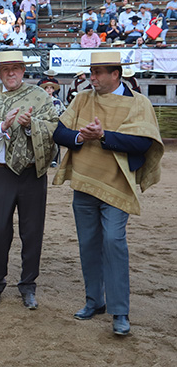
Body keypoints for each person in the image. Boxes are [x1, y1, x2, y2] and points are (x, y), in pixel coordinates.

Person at [52, 52, 163, 336]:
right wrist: (80, 136)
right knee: (88, 244)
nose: (93, 77)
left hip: (117, 185)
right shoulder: (82, 99)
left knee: (114, 243)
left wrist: (103, 136)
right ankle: (94, 301)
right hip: (85, 183)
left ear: (116, 74)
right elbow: (59, 132)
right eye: (92, 72)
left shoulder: (139, 103)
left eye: (99, 72)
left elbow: (142, 143)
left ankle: (120, 311)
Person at [0, 51, 59, 310]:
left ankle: (28, 285)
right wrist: (3, 127)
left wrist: (31, 126)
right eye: (5, 69)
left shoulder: (39, 96)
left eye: (16, 68)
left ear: (23, 70)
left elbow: (53, 128)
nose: (11, 73)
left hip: (31, 172)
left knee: (32, 232)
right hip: (1, 171)